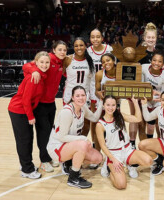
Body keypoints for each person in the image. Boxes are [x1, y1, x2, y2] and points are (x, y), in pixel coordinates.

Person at [23, 40, 67, 172]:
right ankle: (43, 160)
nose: (62, 52)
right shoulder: (48, 59)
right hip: (40, 104)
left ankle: (49, 156)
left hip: (51, 103)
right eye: (60, 49)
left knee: (50, 133)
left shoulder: (62, 62)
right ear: (53, 50)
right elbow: (26, 66)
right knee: (44, 133)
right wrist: (34, 71)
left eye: (64, 50)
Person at [47, 86, 103, 188]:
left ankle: (69, 162)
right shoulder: (67, 112)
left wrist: (102, 101)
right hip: (57, 147)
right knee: (82, 144)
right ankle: (73, 178)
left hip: (70, 145)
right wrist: (82, 138)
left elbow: (94, 118)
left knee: (98, 158)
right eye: (77, 96)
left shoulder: (83, 107)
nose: (81, 98)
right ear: (72, 97)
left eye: (83, 95)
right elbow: (62, 137)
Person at [8, 51, 50, 179]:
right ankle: (27, 170)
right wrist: (31, 116)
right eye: (41, 62)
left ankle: (26, 165)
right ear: (36, 62)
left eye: (47, 62)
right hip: (19, 110)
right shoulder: (34, 78)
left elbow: (26, 67)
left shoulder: (39, 74)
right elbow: (26, 100)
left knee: (26, 139)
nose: (44, 64)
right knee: (24, 140)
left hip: (22, 110)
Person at [96, 95, 153, 189]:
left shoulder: (120, 115)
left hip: (127, 150)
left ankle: (130, 164)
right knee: (121, 185)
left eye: (113, 105)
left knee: (148, 161)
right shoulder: (100, 124)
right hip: (114, 154)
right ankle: (108, 167)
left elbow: (138, 119)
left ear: (116, 105)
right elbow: (103, 146)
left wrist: (135, 103)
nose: (111, 108)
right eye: (108, 105)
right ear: (103, 105)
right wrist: (113, 160)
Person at [88, 29, 113, 157]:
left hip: (109, 86)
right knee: (95, 119)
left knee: (111, 117)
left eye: (98, 36)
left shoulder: (109, 49)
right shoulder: (88, 51)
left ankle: (111, 146)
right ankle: (95, 145)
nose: (95, 39)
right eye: (93, 37)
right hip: (94, 87)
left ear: (102, 37)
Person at [63, 37, 95, 136]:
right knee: (69, 124)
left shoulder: (90, 61)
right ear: (73, 47)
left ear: (86, 46)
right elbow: (63, 73)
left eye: (81, 45)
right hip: (69, 97)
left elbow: (92, 81)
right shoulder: (67, 59)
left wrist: (93, 99)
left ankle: (82, 144)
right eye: (76, 46)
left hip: (84, 97)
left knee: (85, 124)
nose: (79, 48)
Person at [141, 48, 164, 139]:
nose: (156, 63)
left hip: (158, 102)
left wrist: (156, 98)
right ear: (151, 60)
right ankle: (149, 141)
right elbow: (140, 86)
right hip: (146, 100)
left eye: (159, 61)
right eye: (154, 60)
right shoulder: (144, 68)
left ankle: (160, 142)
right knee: (148, 125)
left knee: (159, 123)